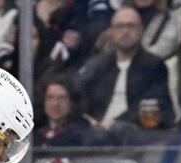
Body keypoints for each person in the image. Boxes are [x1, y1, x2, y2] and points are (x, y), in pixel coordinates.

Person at [75, 6, 175, 144]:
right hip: (97, 128)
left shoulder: (154, 65)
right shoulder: (99, 64)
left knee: (116, 130)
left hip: (132, 130)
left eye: (131, 26)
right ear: (111, 32)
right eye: (119, 27)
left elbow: (153, 106)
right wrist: (87, 120)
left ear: (141, 31)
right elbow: (77, 93)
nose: (125, 32)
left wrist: (115, 122)